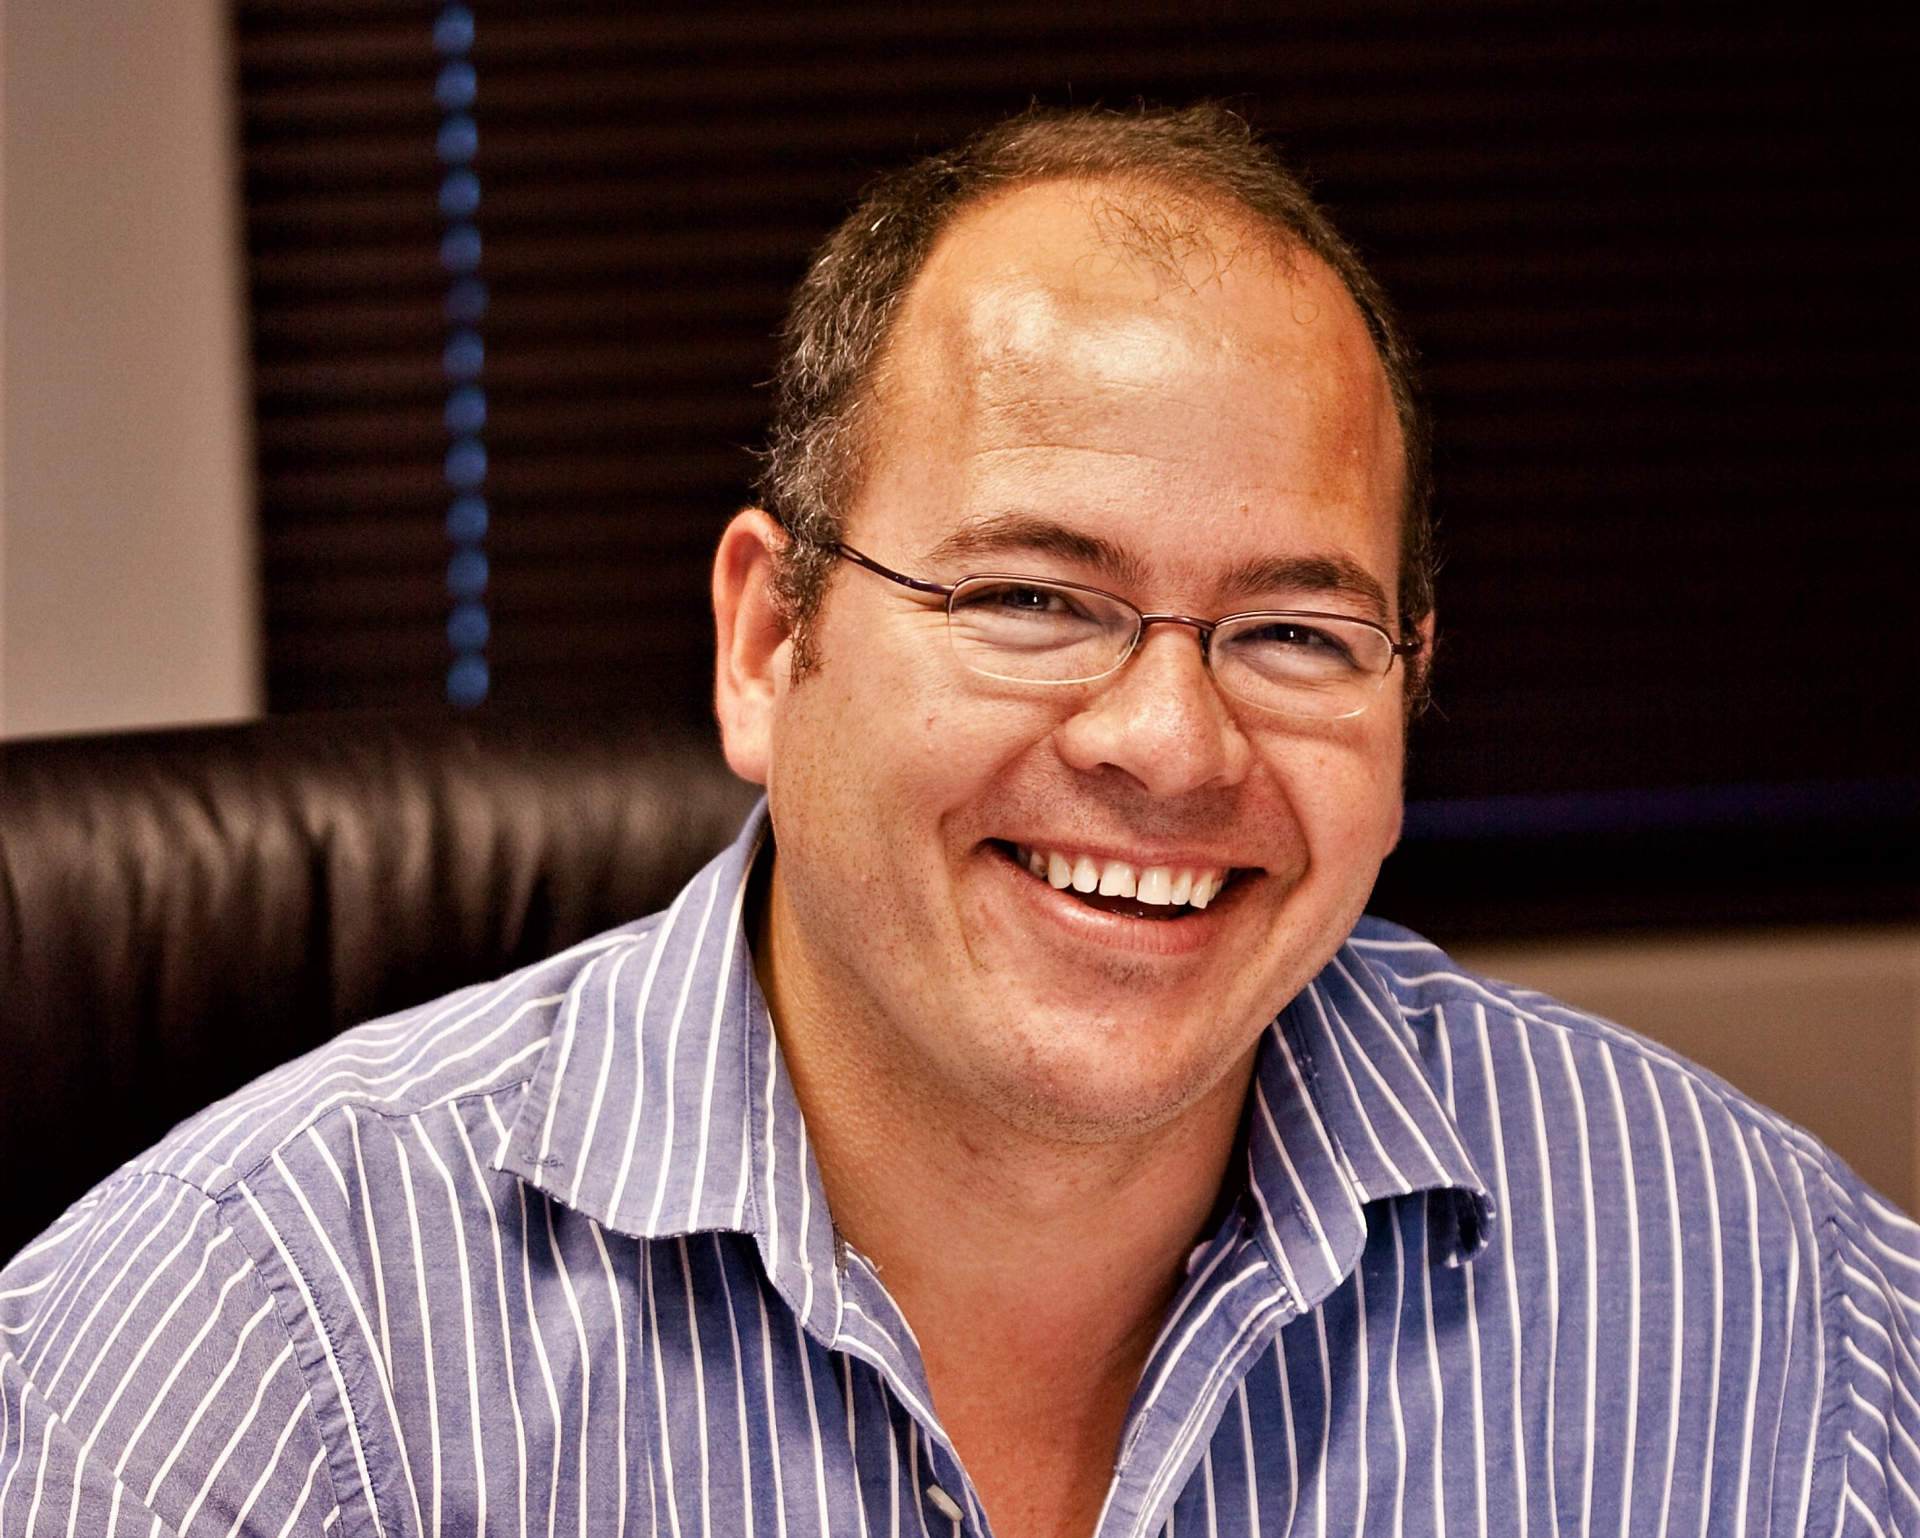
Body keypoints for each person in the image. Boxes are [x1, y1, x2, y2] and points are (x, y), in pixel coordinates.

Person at [1, 104, 1915, 1538]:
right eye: (1032, 598)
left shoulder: (1761, 1307)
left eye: (1296, 631)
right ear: (769, 642)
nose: (1171, 742)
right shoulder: (259, 1351)